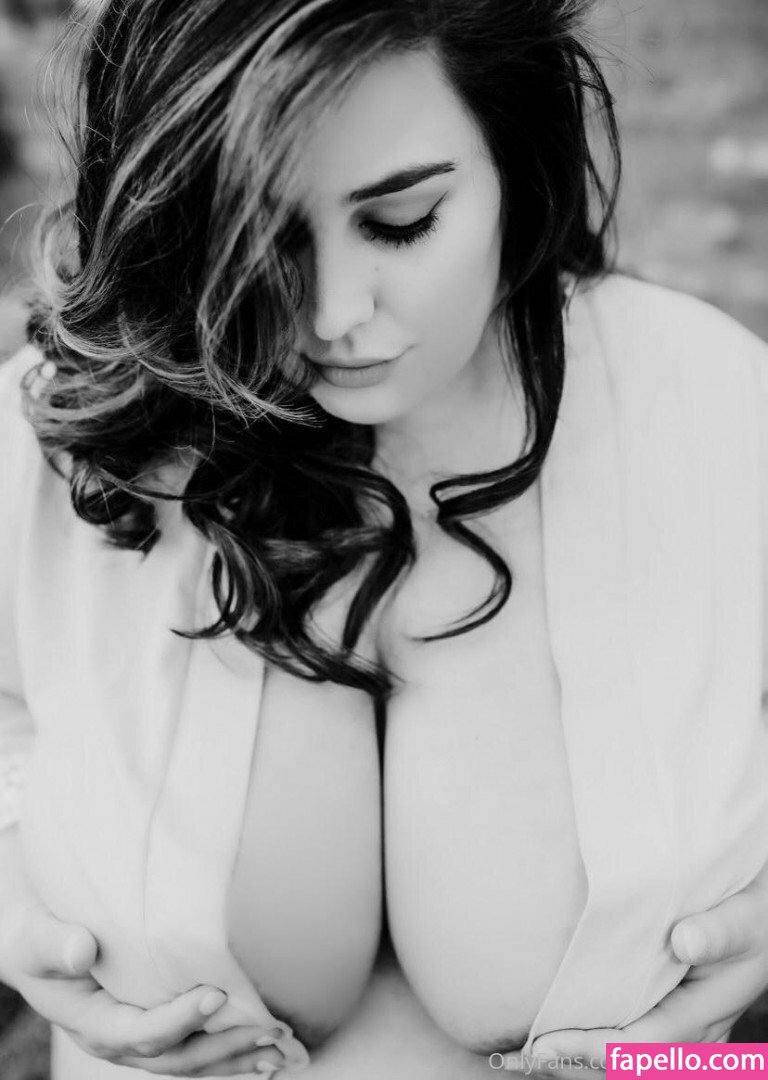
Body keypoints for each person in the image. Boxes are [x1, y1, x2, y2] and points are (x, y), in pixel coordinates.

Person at [1, 0, 768, 1077]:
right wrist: (8, 900)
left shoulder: (717, 407)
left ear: (513, 159)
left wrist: (708, 1052)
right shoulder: (59, 434)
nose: (332, 314)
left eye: (402, 222)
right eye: (255, 233)